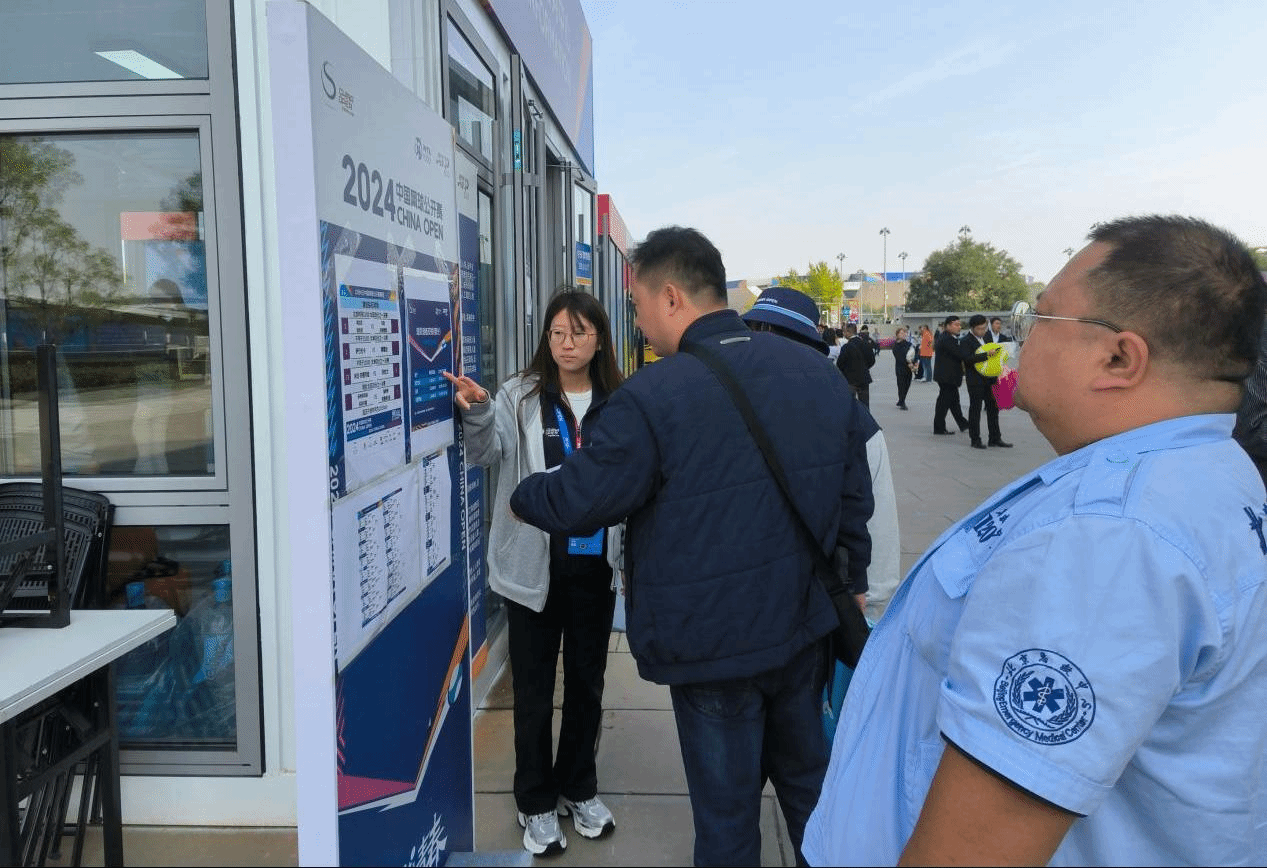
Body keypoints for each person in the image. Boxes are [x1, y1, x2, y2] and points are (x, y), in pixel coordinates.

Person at [803, 215, 1267, 866]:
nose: (1019, 338)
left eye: (1040, 318)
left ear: (1118, 358)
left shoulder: (1105, 539)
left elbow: (973, 852)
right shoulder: (1208, 469)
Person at [510, 226, 875, 867]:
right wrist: (853, 580)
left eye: (638, 306)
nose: (638, 323)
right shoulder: (816, 374)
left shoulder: (653, 397)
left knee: (727, 819)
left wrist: (523, 492)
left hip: (711, 650)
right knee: (813, 798)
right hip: (803, 635)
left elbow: (577, 500)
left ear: (672, 297)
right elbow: (854, 501)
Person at [443, 289, 624, 856]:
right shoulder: (519, 395)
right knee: (534, 692)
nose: (567, 344)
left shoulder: (619, 401)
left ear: (600, 339)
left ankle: (579, 787)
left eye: (579, 333)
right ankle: (536, 801)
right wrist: (477, 410)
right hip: (531, 569)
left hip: (594, 568)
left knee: (588, 687)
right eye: (557, 333)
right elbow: (486, 454)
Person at [741, 287, 902, 623]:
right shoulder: (854, 418)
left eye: (760, 332)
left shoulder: (856, 423)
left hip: (803, 605)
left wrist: (869, 601)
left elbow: (876, 523)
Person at [960, 314, 1010, 448]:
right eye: (980, 329)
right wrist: (986, 355)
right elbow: (967, 359)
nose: (982, 331)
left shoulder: (987, 337)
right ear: (972, 328)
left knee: (993, 409)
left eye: (984, 328)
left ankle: (995, 438)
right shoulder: (966, 341)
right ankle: (975, 439)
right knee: (975, 410)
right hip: (975, 380)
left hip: (991, 379)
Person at [930, 315, 974, 435]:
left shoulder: (949, 337)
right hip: (947, 377)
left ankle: (963, 424)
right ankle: (939, 428)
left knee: (953, 402)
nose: (959, 327)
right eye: (956, 324)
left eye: (960, 325)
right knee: (944, 403)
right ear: (948, 326)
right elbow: (961, 354)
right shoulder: (947, 339)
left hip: (947, 376)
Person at [837, 322, 875, 407]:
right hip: (864, 378)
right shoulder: (866, 344)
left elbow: (840, 364)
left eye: (844, 331)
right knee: (865, 404)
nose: (844, 333)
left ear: (848, 332)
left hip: (850, 380)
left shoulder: (846, 347)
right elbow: (872, 360)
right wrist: (865, 367)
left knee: (850, 404)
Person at [890, 326, 915, 410]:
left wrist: (914, 363)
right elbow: (899, 357)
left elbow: (914, 354)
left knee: (907, 385)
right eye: (901, 333)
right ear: (897, 334)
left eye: (905, 332)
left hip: (908, 369)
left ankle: (901, 400)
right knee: (901, 386)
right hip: (900, 368)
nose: (904, 334)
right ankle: (902, 402)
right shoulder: (895, 345)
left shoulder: (909, 344)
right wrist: (909, 363)